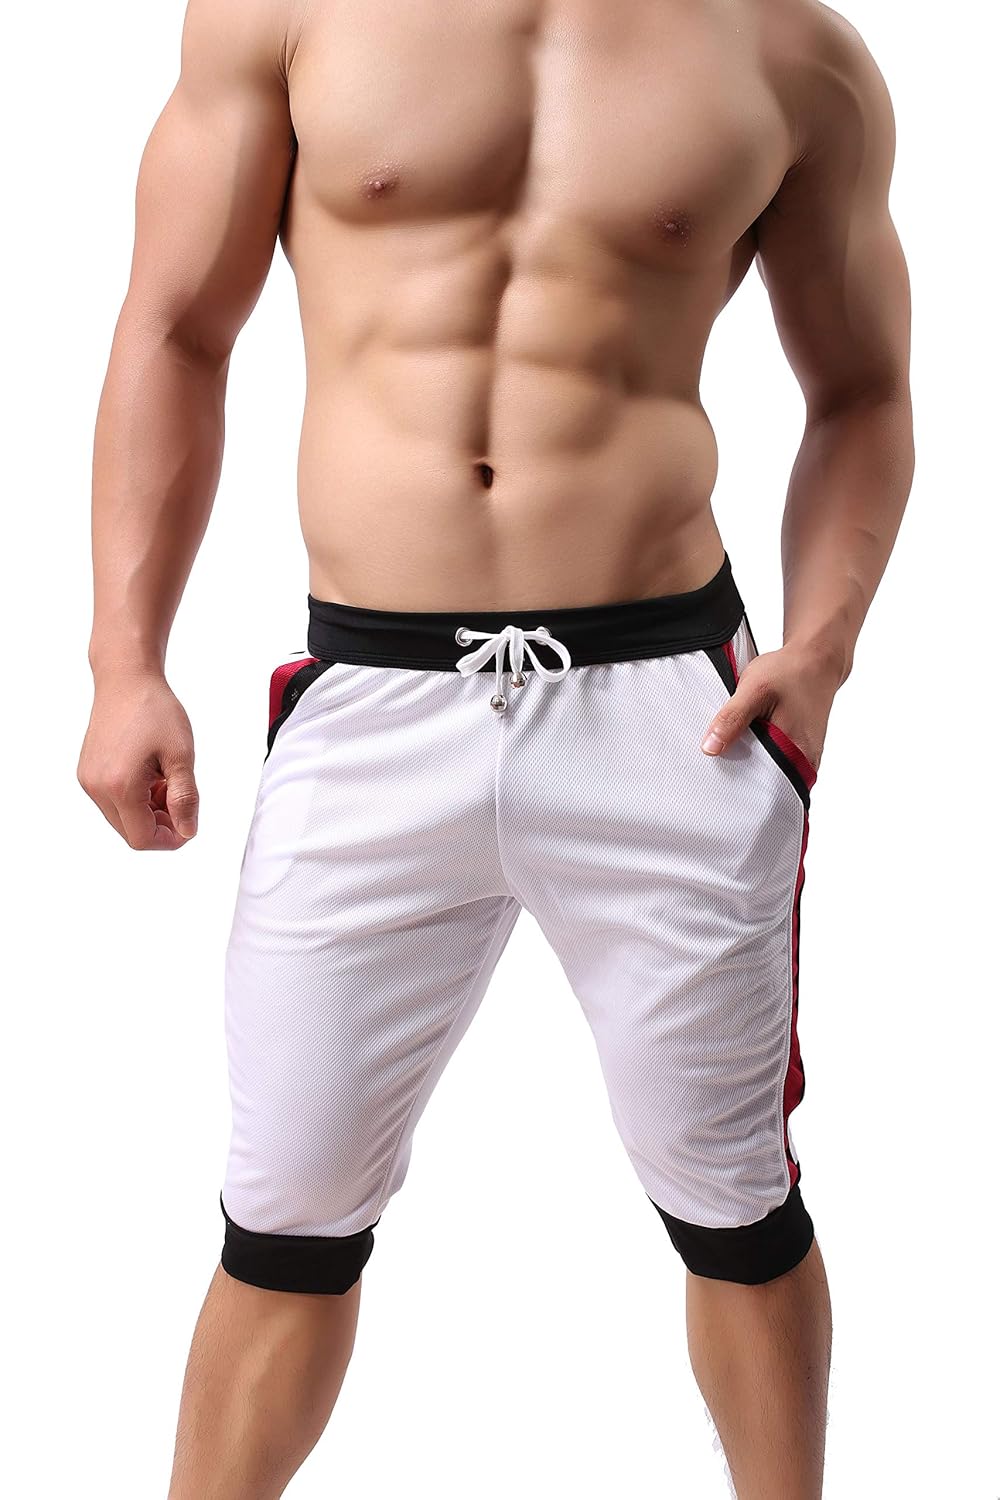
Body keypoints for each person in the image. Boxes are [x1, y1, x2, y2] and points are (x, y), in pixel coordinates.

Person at [77, 0, 914, 1494]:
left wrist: (825, 646)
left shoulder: (791, 51)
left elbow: (862, 389)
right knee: (286, 1214)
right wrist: (124, 659)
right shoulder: (287, 13)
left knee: (732, 1199)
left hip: (672, 708)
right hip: (375, 696)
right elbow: (176, 326)